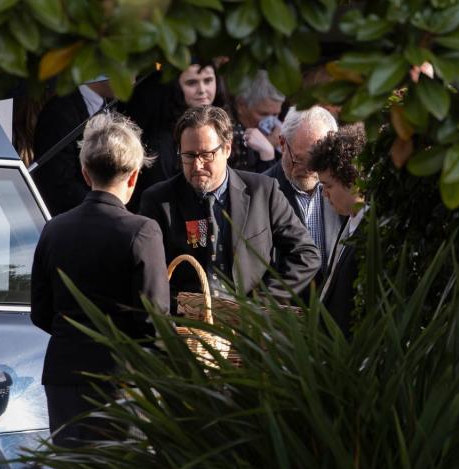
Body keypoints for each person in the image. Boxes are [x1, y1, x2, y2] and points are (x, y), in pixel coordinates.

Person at [31, 112, 170, 469]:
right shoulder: (142, 231)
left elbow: (41, 312)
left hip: (63, 375)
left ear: (83, 170)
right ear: (132, 176)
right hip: (119, 381)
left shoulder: (54, 228)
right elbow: (154, 322)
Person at [140, 105, 320, 304]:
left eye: (207, 154)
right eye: (189, 156)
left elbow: (306, 255)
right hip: (189, 324)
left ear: (227, 148)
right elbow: (149, 274)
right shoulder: (159, 201)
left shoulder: (262, 191)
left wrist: (262, 303)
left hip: (253, 325)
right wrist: (184, 307)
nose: (198, 165)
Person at [120, 61, 229, 211]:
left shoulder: (228, 124)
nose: (202, 90)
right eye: (192, 83)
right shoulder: (161, 142)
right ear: (177, 87)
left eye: (208, 80)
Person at [263, 106, 345, 282]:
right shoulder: (260, 193)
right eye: (300, 160)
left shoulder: (345, 188)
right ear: (283, 144)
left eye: (318, 160)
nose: (310, 169)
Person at [308, 124, 367, 335]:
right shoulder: (350, 223)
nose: (324, 194)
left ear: (352, 180)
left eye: (328, 185)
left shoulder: (372, 233)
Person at [32, 76, 114, 215]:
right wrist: (104, 209)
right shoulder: (59, 112)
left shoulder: (110, 106)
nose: (134, 76)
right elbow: (57, 181)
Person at [228, 70, 285, 173]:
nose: (270, 121)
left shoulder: (277, 130)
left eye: (275, 114)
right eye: (263, 114)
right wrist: (267, 147)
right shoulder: (227, 132)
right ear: (241, 106)